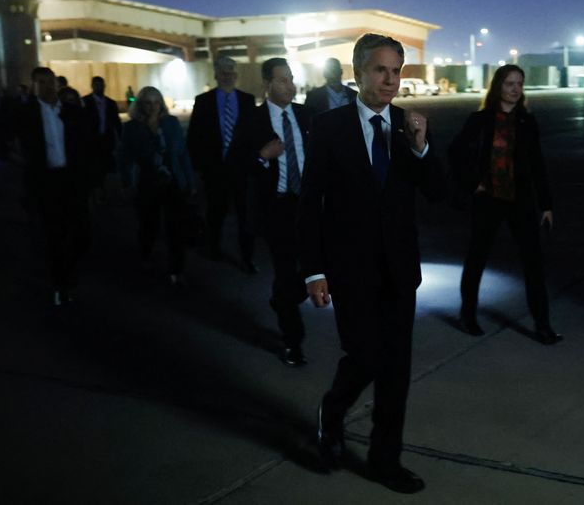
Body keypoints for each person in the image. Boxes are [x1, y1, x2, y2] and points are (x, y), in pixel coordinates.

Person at [298, 33, 444, 494]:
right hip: (350, 268)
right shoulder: (329, 127)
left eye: (397, 70)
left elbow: (440, 194)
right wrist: (314, 269)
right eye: (381, 69)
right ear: (358, 72)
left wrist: (421, 149)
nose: (390, 79)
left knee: (396, 370)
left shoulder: (409, 126)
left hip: (399, 270)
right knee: (364, 357)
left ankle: (385, 461)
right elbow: (310, 203)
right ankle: (333, 410)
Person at [448, 65, 561, 344]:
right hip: (488, 199)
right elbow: (455, 152)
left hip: (520, 200)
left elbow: (537, 164)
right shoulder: (481, 119)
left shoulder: (527, 122)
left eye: (519, 84)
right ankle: (468, 314)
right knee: (477, 258)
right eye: (509, 83)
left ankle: (542, 323)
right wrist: (473, 182)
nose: (515, 89)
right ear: (498, 86)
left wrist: (546, 204)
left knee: (533, 263)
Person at [247, 58, 316, 366]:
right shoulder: (254, 120)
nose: (291, 85)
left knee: (324, 265)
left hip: (311, 205)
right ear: (267, 85)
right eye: (283, 80)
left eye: (291, 79)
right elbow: (236, 166)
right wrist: (262, 156)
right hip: (278, 208)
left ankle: (282, 298)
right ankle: (293, 341)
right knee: (287, 270)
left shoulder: (307, 115)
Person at [15, 67, 90, 305]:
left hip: (71, 180)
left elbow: (86, 146)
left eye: (51, 81)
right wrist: (14, 163)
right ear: (34, 85)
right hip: (44, 182)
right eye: (41, 82)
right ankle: (61, 283)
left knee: (80, 232)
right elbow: (0, 139)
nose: (48, 86)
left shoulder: (71, 111)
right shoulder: (25, 113)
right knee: (53, 235)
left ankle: (70, 273)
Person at [187, 56, 260, 272]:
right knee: (215, 213)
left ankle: (247, 258)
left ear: (236, 75)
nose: (227, 75)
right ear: (216, 75)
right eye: (223, 71)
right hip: (215, 170)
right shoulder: (203, 101)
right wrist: (200, 168)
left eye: (231, 71)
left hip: (242, 171)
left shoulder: (247, 100)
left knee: (245, 217)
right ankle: (214, 249)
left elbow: (254, 136)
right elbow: (194, 137)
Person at [119, 86, 195, 286]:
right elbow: (124, 157)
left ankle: (177, 269)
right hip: (147, 182)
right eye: (148, 102)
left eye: (156, 102)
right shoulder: (132, 127)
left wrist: (189, 181)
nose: (153, 107)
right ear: (140, 104)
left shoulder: (171, 123)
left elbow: (182, 153)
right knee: (148, 224)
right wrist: (126, 182)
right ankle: (146, 255)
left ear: (161, 103)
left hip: (172, 181)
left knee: (176, 227)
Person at [82, 76, 123, 204]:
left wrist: (121, 138)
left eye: (101, 85)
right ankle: (97, 190)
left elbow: (116, 122)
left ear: (104, 86)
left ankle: (102, 188)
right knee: (95, 165)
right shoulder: (85, 102)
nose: (99, 87)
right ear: (92, 86)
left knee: (105, 166)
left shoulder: (111, 103)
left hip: (106, 140)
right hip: (92, 141)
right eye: (96, 85)